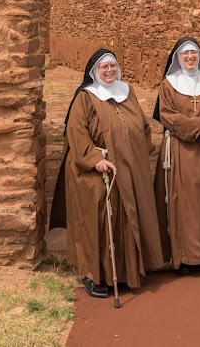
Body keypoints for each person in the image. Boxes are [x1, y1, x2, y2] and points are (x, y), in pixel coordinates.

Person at [50, 48, 163, 297]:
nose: (109, 71)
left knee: (129, 214)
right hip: (97, 170)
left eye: (113, 66)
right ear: (94, 71)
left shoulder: (127, 92)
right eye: (104, 67)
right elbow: (77, 133)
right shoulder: (86, 98)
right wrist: (95, 159)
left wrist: (139, 152)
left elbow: (142, 126)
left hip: (128, 166)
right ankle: (95, 275)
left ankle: (128, 271)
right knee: (100, 218)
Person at [153, 37, 200, 274]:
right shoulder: (169, 84)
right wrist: (198, 127)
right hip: (181, 150)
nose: (190, 57)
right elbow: (167, 115)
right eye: (185, 54)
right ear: (178, 57)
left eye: (194, 53)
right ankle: (184, 257)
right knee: (184, 202)